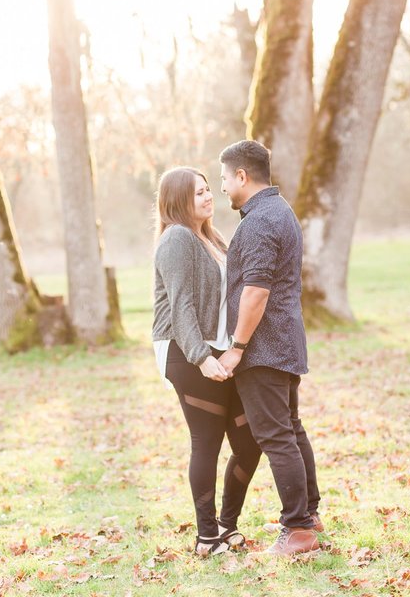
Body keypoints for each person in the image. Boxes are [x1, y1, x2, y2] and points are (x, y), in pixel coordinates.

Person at [215, 140, 323, 557]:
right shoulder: (280, 211)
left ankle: (297, 529)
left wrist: (237, 348)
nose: (223, 186)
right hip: (283, 341)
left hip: (264, 347)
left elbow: (256, 291)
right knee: (290, 430)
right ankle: (309, 516)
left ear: (242, 176)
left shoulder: (260, 221)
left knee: (276, 435)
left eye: (224, 177)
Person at [151, 167, 263, 556]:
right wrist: (200, 358)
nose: (207, 196)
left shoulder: (210, 237)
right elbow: (180, 303)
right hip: (186, 352)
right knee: (207, 442)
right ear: (178, 199)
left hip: (214, 350)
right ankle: (205, 536)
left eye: (207, 190)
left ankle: (225, 524)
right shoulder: (177, 239)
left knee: (249, 441)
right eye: (197, 192)